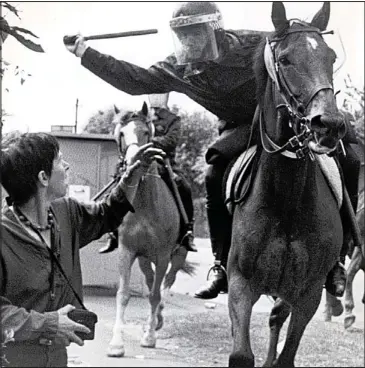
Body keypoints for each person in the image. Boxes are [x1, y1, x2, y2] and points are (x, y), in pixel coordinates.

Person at [64, 2, 360, 299]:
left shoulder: (254, 42)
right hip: (239, 130)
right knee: (213, 174)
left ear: (213, 29)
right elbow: (133, 79)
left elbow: (296, 47)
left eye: (194, 34)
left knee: (349, 157)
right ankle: (220, 264)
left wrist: (307, 35)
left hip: (281, 118)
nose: (188, 42)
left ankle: (337, 260)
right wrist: (84, 53)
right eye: (182, 36)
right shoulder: (178, 69)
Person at [0, 131, 165, 367]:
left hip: (58, 359)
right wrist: (47, 324)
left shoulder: (67, 213)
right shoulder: (3, 235)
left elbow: (108, 214)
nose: (67, 166)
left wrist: (131, 175)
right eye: (60, 160)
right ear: (43, 177)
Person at [99, 93, 197, 253]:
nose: (156, 97)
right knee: (116, 183)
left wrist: (149, 142)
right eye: (153, 93)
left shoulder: (173, 119)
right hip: (134, 160)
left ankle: (187, 232)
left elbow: (171, 141)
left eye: (160, 93)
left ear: (166, 96)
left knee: (183, 187)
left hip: (163, 162)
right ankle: (113, 233)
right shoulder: (138, 115)